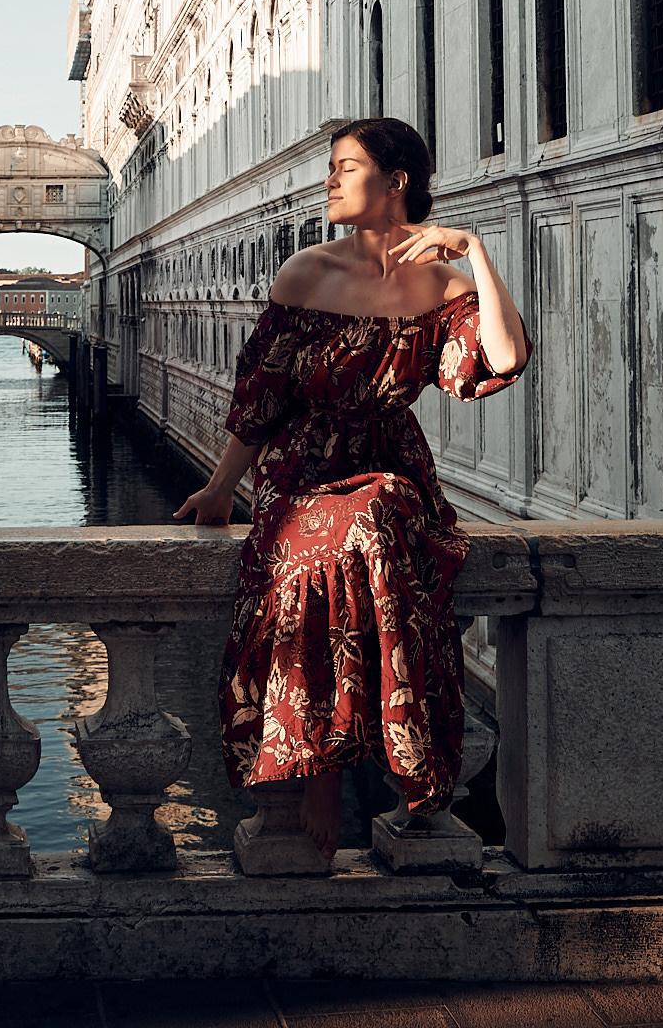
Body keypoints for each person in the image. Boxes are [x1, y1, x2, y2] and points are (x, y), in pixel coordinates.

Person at [173, 117, 533, 857]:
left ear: (395, 182)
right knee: (348, 531)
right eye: (330, 168)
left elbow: (502, 359)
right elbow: (260, 398)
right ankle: (326, 767)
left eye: (345, 167)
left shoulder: (441, 282)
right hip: (300, 473)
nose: (329, 180)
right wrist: (219, 489)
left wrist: (475, 252)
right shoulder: (305, 272)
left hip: (391, 468)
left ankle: (364, 753)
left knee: (374, 517)